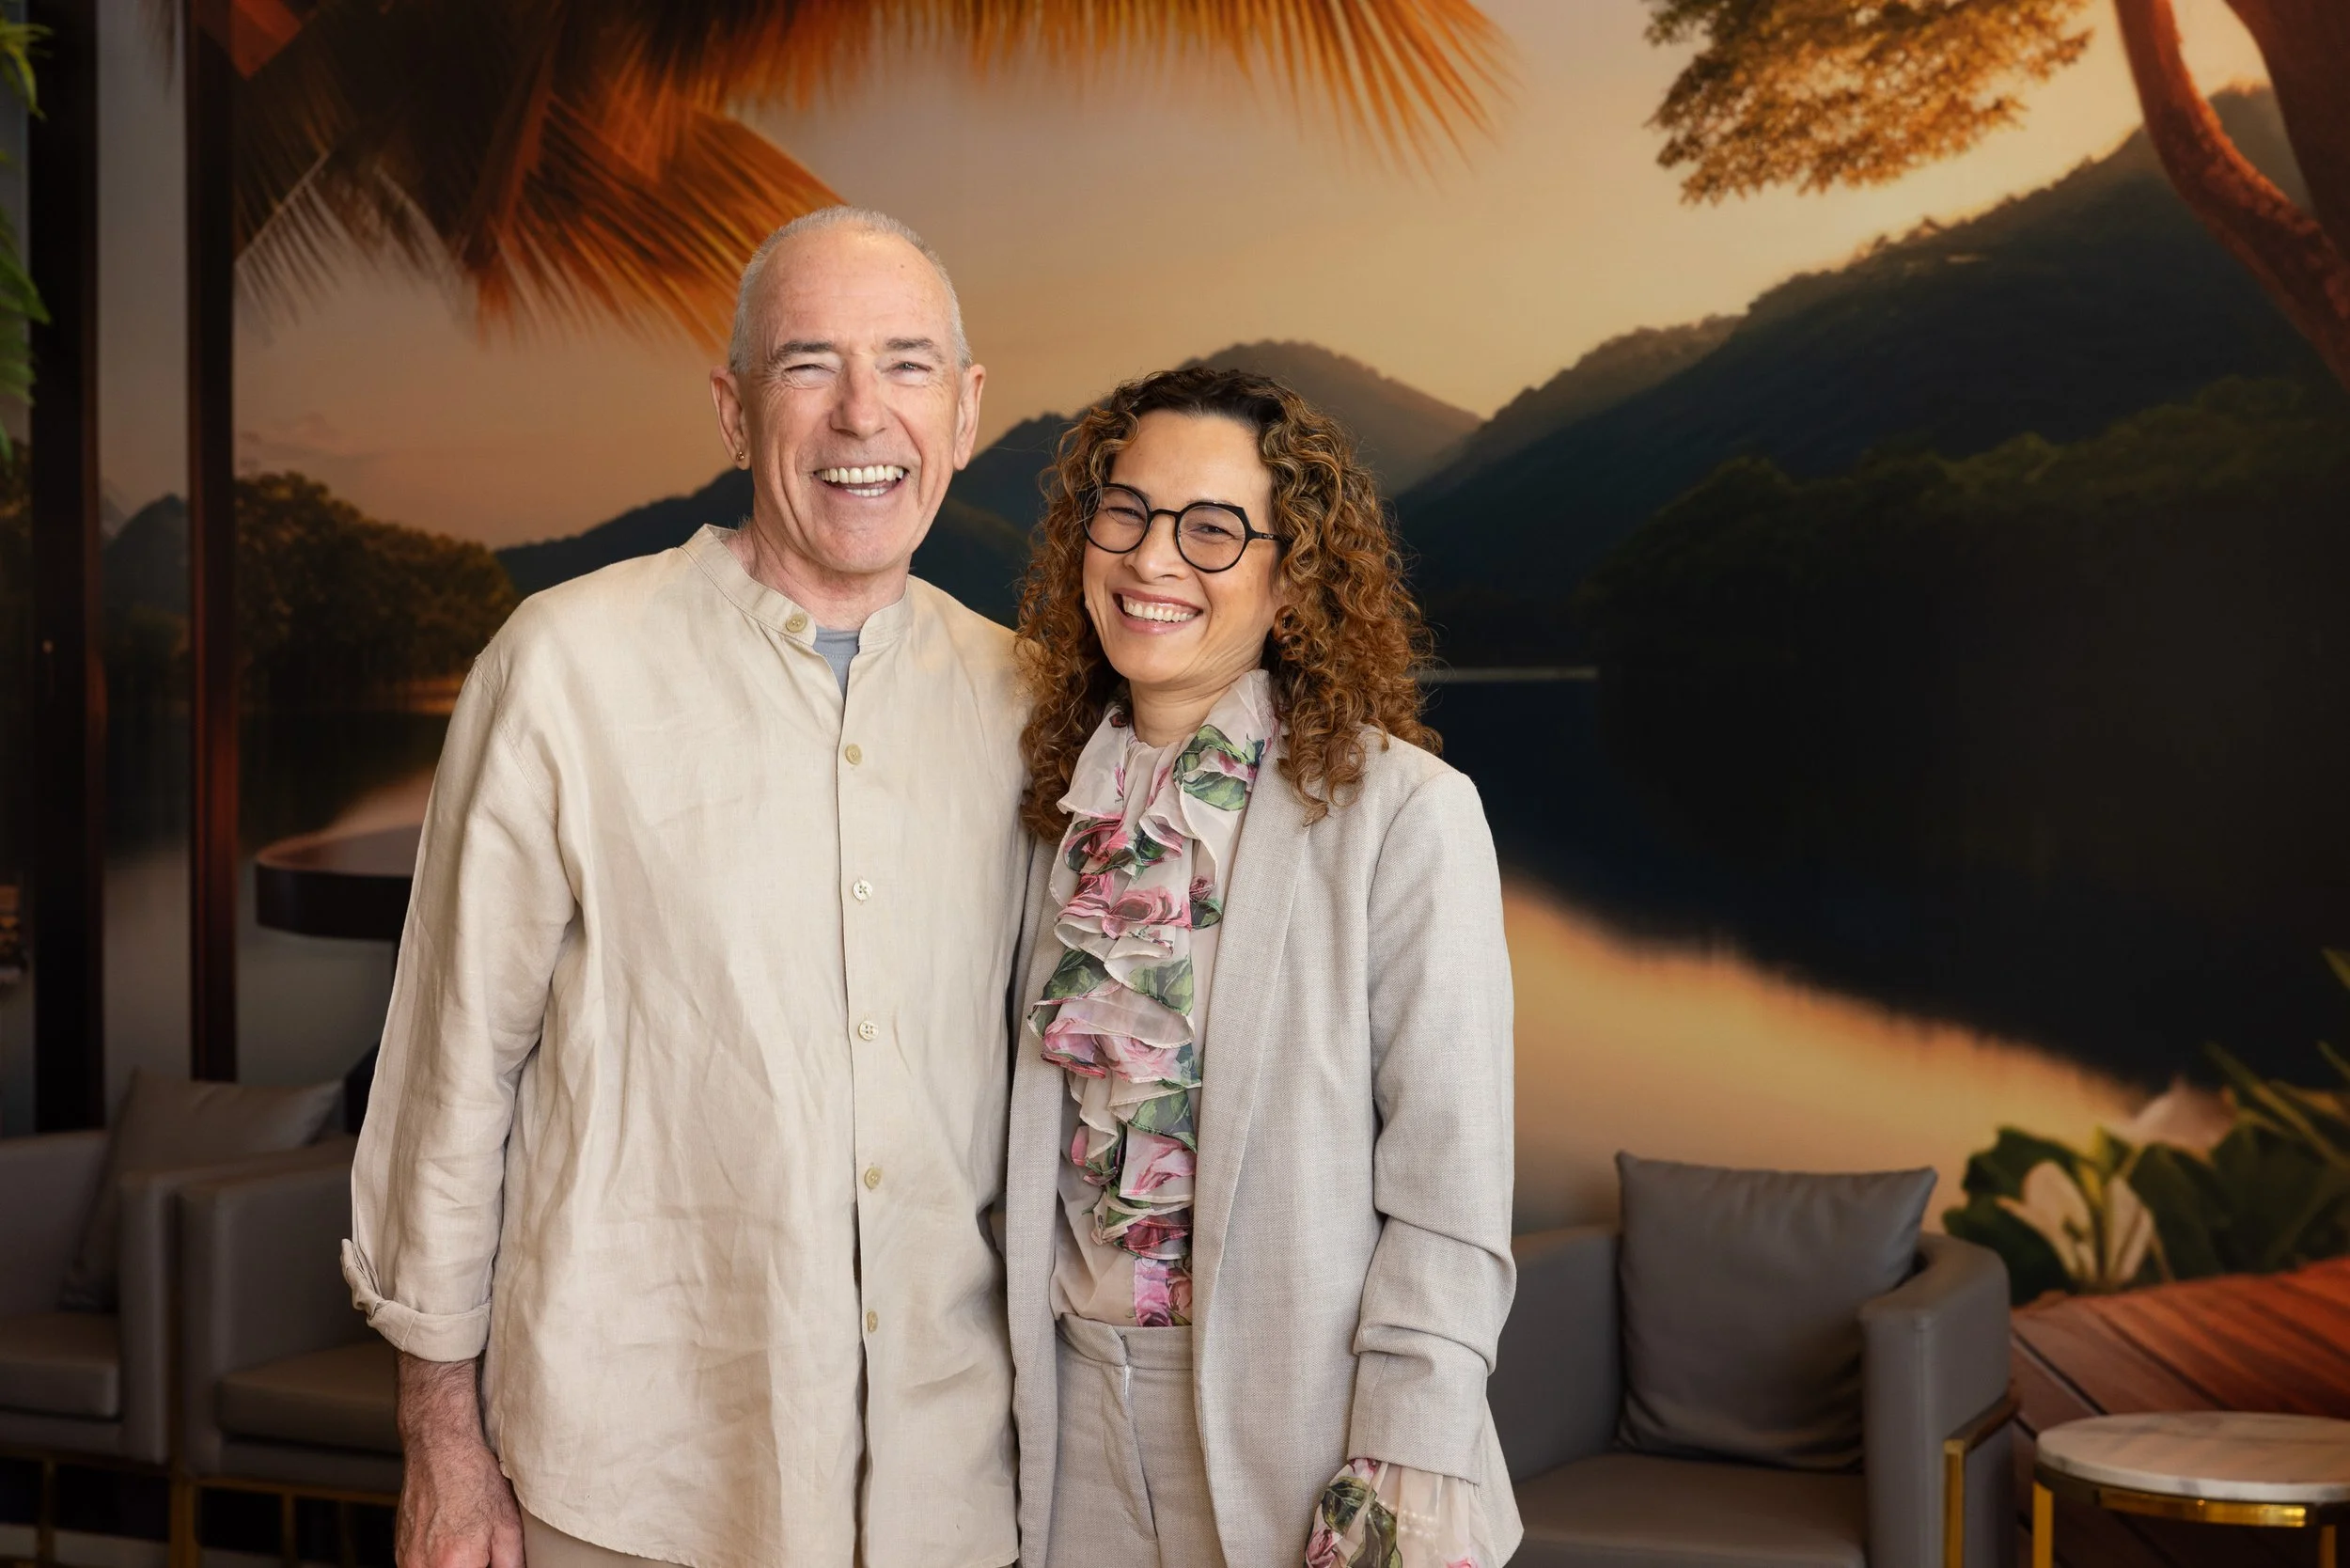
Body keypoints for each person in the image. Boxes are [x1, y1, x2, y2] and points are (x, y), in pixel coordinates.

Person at [341, 207, 1027, 1568]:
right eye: (805, 366)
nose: (859, 415)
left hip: (953, 1499)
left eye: (904, 366)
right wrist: (444, 1446)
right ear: (731, 408)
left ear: (965, 410)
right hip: (622, 1482)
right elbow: (450, 1073)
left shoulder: (1034, 703)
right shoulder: (565, 667)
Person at [1003, 366, 1522, 1568]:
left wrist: (1401, 1464)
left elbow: (1451, 1186)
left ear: (1292, 578)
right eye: (1124, 512)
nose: (1151, 560)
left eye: (1212, 530)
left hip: (1302, 1431)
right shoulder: (1052, 807)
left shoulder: (1405, 814)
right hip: (1062, 1427)